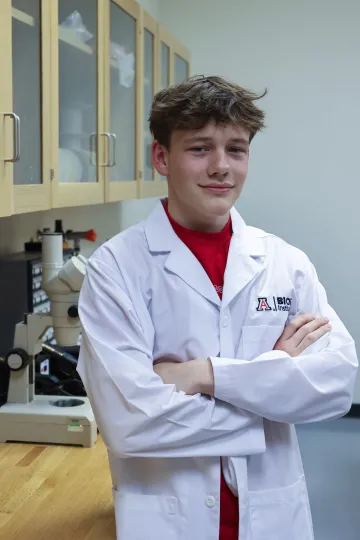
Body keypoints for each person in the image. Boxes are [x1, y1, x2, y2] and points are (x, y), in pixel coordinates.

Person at [77, 75, 358, 540]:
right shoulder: (117, 268)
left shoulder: (284, 263)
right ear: (161, 157)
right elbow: (131, 424)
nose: (221, 166)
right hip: (167, 519)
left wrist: (203, 374)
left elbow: (334, 386)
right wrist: (274, 385)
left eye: (237, 149)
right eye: (200, 148)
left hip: (274, 517)